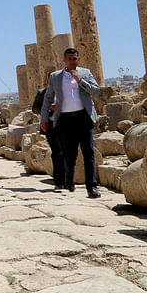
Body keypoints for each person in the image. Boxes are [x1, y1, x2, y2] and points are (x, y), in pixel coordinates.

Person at [40, 48, 101, 198]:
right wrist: (44, 119)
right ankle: (69, 180)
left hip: (84, 117)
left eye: (75, 59)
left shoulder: (85, 73)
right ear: (64, 60)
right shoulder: (55, 77)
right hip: (65, 119)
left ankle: (91, 187)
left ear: (78, 59)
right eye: (70, 59)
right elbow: (48, 98)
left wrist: (80, 80)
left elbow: (96, 91)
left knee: (88, 152)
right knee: (69, 153)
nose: (72, 61)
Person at [32, 85, 66, 192]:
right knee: (57, 152)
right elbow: (35, 109)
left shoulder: (67, 91)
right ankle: (59, 182)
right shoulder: (42, 93)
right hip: (50, 126)